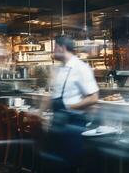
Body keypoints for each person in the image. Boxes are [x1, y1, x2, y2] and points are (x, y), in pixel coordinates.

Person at [42, 36, 99, 173]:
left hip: (73, 125)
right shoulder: (61, 69)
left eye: (55, 47)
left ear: (62, 48)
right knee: (52, 165)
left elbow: (93, 97)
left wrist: (68, 107)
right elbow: (54, 96)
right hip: (57, 124)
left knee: (67, 166)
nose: (53, 51)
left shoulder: (81, 68)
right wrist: (42, 113)